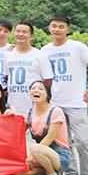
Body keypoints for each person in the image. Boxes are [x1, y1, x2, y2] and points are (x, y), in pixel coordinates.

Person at [41, 16, 87, 175]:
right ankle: (70, 172)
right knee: (62, 143)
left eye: (61, 27)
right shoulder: (45, 50)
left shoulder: (78, 47)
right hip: (55, 104)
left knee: (83, 142)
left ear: (68, 29)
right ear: (49, 28)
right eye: (54, 26)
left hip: (76, 102)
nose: (57, 29)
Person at [24, 80, 73, 175]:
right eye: (33, 88)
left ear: (48, 95)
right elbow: (19, 131)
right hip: (40, 155)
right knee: (25, 172)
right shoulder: (30, 112)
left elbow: (49, 138)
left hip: (59, 155)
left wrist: (31, 156)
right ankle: (46, 171)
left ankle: (51, 173)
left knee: (34, 148)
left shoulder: (56, 111)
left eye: (40, 89)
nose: (36, 90)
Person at [7, 21, 53, 114]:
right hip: (13, 107)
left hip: (35, 108)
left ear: (31, 36)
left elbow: (48, 80)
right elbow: (7, 77)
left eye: (24, 32)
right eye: (18, 31)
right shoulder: (8, 55)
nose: (20, 34)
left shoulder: (40, 55)